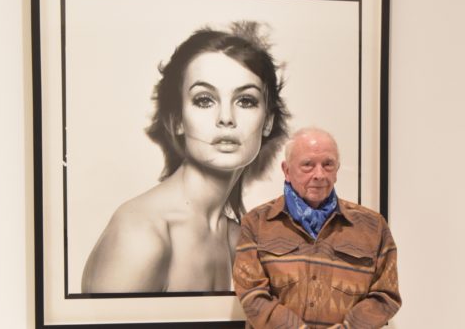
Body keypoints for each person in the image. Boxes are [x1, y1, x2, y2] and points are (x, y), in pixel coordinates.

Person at [81, 21, 289, 293]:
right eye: (204, 100)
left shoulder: (237, 239)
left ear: (267, 122)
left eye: (245, 101)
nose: (226, 118)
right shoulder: (142, 234)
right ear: (178, 119)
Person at [233, 127, 401, 328]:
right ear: (287, 171)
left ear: (337, 170)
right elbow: (252, 294)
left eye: (328, 164)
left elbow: (386, 296)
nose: (319, 174)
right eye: (307, 165)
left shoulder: (374, 227)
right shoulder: (256, 223)